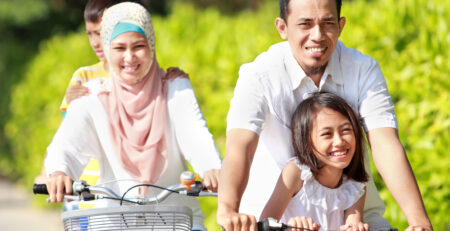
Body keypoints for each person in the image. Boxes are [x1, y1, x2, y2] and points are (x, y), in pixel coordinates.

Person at [217, 0, 432, 230]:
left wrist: (418, 221)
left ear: (341, 25)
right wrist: (229, 210)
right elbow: (241, 146)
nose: (317, 35)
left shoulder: (362, 69)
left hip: (354, 217)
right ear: (282, 27)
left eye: (327, 23)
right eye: (305, 24)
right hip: (275, 220)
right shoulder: (258, 75)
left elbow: (385, 143)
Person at [44, 2, 221, 230]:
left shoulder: (176, 88)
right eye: (119, 48)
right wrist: (60, 172)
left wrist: (211, 168)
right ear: (107, 51)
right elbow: (66, 145)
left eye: (138, 46)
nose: (129, 57)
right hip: (111, 221)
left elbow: (196, 134)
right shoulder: (94, 96)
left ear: (151, 45)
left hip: (176, 221)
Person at [260, 92, 369, 231]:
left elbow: (353, 224)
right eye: (327, 134)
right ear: (307, 140)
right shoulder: (296, 174)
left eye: (346, 130)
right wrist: (290, 227)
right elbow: (265, 224)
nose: (339, 141)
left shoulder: (354, 187)